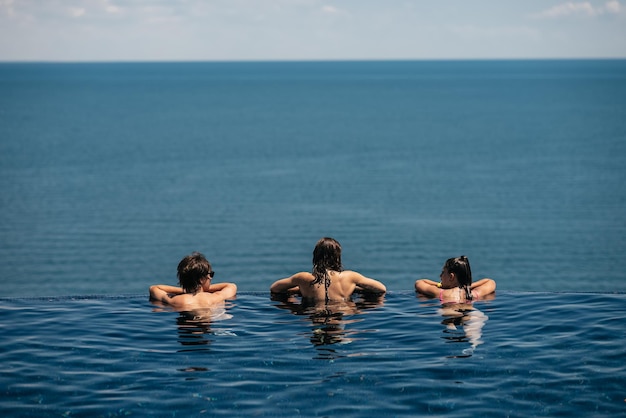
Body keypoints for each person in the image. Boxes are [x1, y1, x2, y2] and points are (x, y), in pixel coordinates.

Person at [270, 237, 386, 303]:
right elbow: (381, 288)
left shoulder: (303, 278)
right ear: (338, 257)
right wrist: (353, 287)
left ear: (315, 256)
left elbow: (275, 288)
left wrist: (299, 289)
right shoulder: (350, 277)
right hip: (342, 315)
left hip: (313, 315)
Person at [149, 252, 237, 310]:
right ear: (202, 279)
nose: (211, 278)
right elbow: (231, 286)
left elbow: (154, 288)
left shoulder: (177, 300)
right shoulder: (215, 297)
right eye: (210, 275)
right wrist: (205, 290)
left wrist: (186, 290)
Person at [414, 255, 496, 303]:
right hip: (470, 313)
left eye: (443, 273)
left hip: (450, 313)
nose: (440, 276)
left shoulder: (441, 293)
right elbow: (490, 282)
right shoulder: (473, 294)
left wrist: (439, 285)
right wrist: (466, 286)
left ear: (451, 277)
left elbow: (419, 282)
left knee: (450, 324)